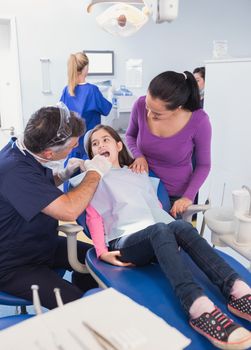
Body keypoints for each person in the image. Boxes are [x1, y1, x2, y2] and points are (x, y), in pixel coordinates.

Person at [84, 124, 251, 350]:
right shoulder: (92, 180)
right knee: (161, 229)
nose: (101, 145)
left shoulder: (137, 174)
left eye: (105, 140)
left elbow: (155, 207)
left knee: (181, 227)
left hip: (155, 235)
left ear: (118, 145)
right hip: (124, 241)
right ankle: (198, 307)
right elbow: (93, 217)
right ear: (92, 154)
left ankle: (238, 291)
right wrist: (102, 252)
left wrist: (172, 235)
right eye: (95, 144)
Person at [0, 103, 112, 309]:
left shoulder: (23, 150)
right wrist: (95, 172)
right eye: (72, 147)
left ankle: (86, 289)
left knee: (99, 262)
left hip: (43, 244)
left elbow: (35, 188)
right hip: (15, 264)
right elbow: (69, 210)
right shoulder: (13, 169)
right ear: (49, 153)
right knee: (79, 304)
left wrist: (61, 175)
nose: (74, 150)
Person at [125, 70, 211, 218]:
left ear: (177, 108)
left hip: (175, 197)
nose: (150, 115)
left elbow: (204, 165)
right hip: (143, 187)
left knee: (173, 237)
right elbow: (130, 135)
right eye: (148, 107)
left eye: (157, 114)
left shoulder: (199, 121)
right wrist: (138, 156)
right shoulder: (139, 104)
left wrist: (188, 197)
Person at [60, 51, 112, 160]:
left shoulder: (67, 90)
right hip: (89, 144)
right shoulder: (92, 90)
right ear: (86, 68)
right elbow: (106, 109)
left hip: (72, 144)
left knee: (73, 173)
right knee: (90, 172)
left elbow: (61, 114)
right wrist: (111, 95)